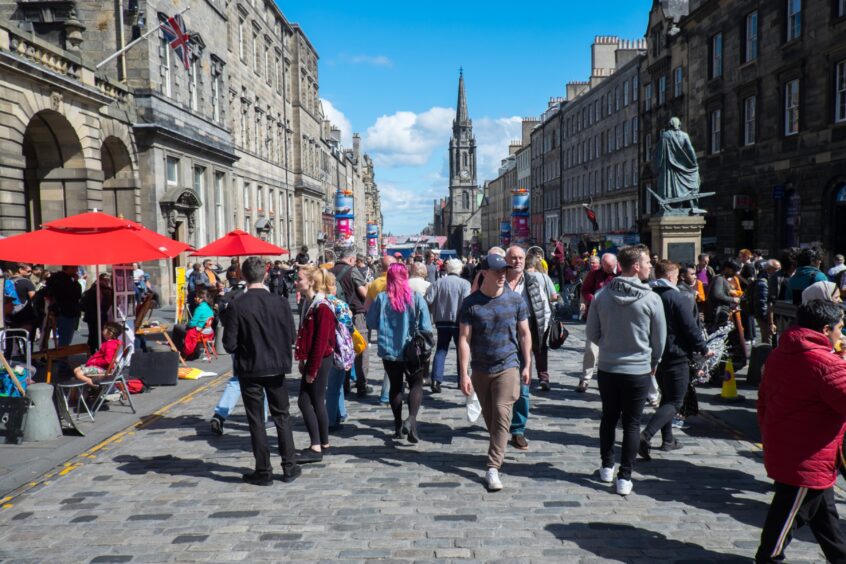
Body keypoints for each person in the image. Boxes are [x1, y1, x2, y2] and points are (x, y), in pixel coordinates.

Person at [755, 300, 846, 563]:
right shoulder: (826, 364)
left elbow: (764, 399)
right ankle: (768, 558)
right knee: (787, 513)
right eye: (840, 327)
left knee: (824, 514)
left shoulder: (782, 351)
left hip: (788, 442)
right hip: (808, 452)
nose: (842, 333)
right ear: (826, 329)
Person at [585, 244, 666, 496]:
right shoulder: (652, 299)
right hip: (638, 369)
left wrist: (611, 346)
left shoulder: (602, 296)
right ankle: (625, 476)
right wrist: (653, 361)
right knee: (631, 423)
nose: (651, 266)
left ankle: (607, 466)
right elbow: (659, 339)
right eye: (648, 263)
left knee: (609, 417)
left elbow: (592, 334)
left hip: (609, 367)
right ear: (636, 266)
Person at [222, 256, 300, 486]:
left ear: (244, 277)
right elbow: (292, 336)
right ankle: (289, 466)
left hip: (251, 368)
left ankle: (264, 470)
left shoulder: (238, 305)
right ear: (265, 274)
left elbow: (229, 344)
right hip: (276, 367)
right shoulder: (280, 302)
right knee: (282, 416)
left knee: (256, 420)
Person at [459, 253, 531, 491]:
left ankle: (492, 467)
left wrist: (528, 364)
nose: (502, 276)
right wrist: (464, 373)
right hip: (481, 369)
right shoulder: (471, 304)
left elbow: (524, 333)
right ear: (484, 274)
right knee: (491, 420)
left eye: (504, 272)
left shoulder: (515, 300)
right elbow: (464, 339)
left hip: (508, 365)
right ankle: (498, 447)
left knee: (502, 414)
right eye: (498, 272)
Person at [639, 261, 711, 460]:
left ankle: (668, 440)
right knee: (675, 401)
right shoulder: (675, 297)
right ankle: (645, 435)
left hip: (655, 354)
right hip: (676, 353)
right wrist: (703, 349)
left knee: (666, 396)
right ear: (671, 276)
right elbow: (690, 327)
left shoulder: (647, 294)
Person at [366, 263, 433, 442]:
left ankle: (397, 426)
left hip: (390, 350)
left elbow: (371, 322)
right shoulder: (416, 298)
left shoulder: (381, 298)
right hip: (413, 351)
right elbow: (426, 326)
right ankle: (411, 419)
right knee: (416, 385)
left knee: (395, 387)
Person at [294, 267, 336, 463]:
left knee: (306, 401)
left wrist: (312, 368)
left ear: (311, 282)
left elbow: (320, 341)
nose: (296, 282)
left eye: (299, 279)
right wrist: (303, 359)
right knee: (316, 401)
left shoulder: (322, 306)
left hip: (320, 359)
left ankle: (316, 446)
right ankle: (324, 444)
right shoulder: (310, 303)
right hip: (314, 358)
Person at [425, 258, 471, 393]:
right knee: (461, 350)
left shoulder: (439, 282)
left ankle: (435, 380)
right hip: (459, 321)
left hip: (442, 320)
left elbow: (429, 300)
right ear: (460, 270)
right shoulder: (465, 284)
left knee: (441, 349)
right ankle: (461, 379)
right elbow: (467, 303)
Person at [577, 253, 620, 392]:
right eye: (605, 267)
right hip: (596, 314)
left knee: (614, 350)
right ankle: (585, 379)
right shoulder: (595, 273)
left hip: (616, 316)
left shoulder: (622, 272)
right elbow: (585, 290)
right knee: (591, 348)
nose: (607, 270)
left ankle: (613, 381)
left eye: (610, 267)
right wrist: (595, 299)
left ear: (615, 263)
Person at [331, 246, 370, 397]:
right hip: (355, 314)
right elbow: (364, 293)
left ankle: (344, 384)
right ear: (352, 259)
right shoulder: (352, 271)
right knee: (360, 348)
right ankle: (362, 385)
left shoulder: (330, 271)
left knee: (341, 348)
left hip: (336, 314)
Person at [72, 322, 123, 386]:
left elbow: (108, 360)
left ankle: (94, 385)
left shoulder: (109, 345)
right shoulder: (111, 343)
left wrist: (94, 361)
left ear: (110, 333)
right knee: (75, 370)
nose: (102, 331)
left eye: (104, 329)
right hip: (100, 366)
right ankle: (75, 393)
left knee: (78, 374)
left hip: (101, 368)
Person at [44, 265, 82, 347]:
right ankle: (61, 357)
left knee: (61, 336)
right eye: (75, 268)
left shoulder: (55, 278)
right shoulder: (66, 281)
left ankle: (58, 355)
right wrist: (76, 282)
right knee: (65, 337)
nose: (76, 270)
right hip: (67, 311)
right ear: (69, 268)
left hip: (56, 310)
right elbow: (76, 295)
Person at [172, 288, 214, 360]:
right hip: (208, 330)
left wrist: (188, 325)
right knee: (181, 328)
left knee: (176, 328)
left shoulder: (199, 308)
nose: (195, 298)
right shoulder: (208, 307)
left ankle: (180, 352)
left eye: (197, 297)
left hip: (199, 331)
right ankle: (190, 351)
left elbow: (192, 324)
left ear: (201, 299)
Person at [80, 273, 114, 354]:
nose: (107, 282)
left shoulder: (108, 289)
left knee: (98, 335)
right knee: (94, 335)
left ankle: (94, 352)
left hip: (103, 316)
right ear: (100, 280)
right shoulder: (94, 290)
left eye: (108, 280)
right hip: (94, 317)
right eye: (105, 280)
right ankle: (92, 352)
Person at [753, 260, 781, 346]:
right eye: (777, 269)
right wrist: (768, 320)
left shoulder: (771, 280)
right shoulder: (763, 282)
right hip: (765, 317)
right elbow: (762, 303)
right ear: (768, 269)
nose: (779, 271)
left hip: (768, 316)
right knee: (767, 340)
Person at [9, 263, 37, 337]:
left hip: (11, 314)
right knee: (26, 340)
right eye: (28, 271)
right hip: (25, 315)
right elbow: (34, 298)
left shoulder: (8, 281)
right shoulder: (27, 282)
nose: (30, 274)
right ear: (20, 270)